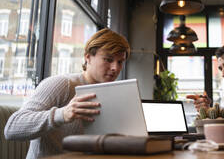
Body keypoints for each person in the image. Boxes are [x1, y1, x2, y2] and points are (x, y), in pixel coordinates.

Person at [4, 28, 130, 159]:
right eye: (108, 59)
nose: (115, 68)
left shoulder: (112, 94)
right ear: (88, 57)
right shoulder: (62, 84)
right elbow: (12, 128)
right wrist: (62, 114)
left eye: (120, 62)